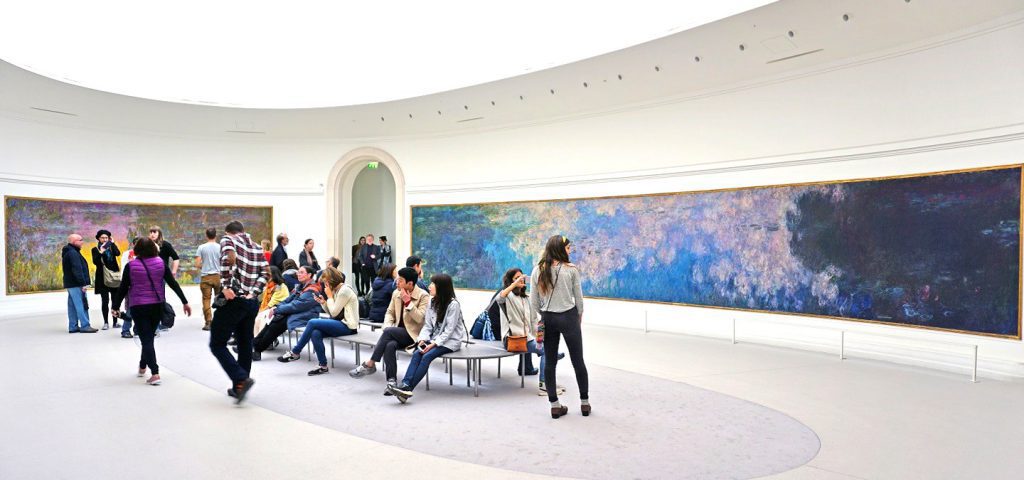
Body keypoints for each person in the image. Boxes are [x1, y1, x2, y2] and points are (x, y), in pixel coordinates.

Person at [112, 238, 192, 386]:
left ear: (137, 249)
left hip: (139, 306)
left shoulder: (131, 266)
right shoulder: (160, 263)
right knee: (148, 337)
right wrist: (184, 301)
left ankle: (155, 373)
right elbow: (172, 283)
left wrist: (115, 306)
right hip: (157, 305)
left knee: (146, 339)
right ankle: (143, 365)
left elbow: (123, 288)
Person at [530, 235, 590, 418]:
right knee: (577, 361)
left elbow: (534, 301)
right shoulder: (571, 270)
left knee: (550, 362)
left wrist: (539, 319)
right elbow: (578, 298)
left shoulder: (537, 270)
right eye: (568, 247)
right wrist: (579, 316)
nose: (570, 250)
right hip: (569, 317)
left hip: (548, 318)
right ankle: (585, 403)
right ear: (560, 249)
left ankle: (555, 405)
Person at [209, 220, 268, 404]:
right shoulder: (257, 247)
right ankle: (239, 388)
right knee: (244, 344)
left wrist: (226, 286)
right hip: (250, 302)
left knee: (217, 343)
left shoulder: (228, 239)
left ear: (229, 232)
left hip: (234, 300)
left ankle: (241, 379)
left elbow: (230, 258)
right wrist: (254, 292)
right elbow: (266, 273)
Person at [388, 274, 467, 403]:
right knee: (417, 353)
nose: (429, 286)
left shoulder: (454, 305)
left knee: (427, 356)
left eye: (432, 284)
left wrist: (434, 344)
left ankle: (407, 389)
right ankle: (405, 385)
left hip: (450, 341)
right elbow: (428, 325)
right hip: (435, 338)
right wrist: (422, 339)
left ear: (441, 287)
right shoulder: (432, 301)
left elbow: (449, 331)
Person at [349, 267, 429, 392]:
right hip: (395, 333)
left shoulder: (423, 296)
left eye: (400, 280)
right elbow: (390, 313)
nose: (397, 282)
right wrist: (387, 326)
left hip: (414, 335)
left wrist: (408, 302)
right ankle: (391, 382)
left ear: (410, 283)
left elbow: (419, 319)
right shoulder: (396, 293)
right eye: (397, 279)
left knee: (389, 334)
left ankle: (371, 363)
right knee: (390, 345)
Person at [277, 267, 358, 375]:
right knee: (315, 333)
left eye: (326, 282)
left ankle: (295, 352)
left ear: (331, 280)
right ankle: (323, 366)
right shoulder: (337, 290)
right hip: (340, 322)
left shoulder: (344, 291)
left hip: (349, 326)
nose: (325, 285)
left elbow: (334, 313)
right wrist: (323, 302)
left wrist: (329, 296)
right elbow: (332, 312)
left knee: (312, 322)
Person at [498, 268, 565, 396]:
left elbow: (534, 322)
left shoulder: (526, 299)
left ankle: (549, 380)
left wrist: (542, 338)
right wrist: (513, 285)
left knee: (548, 346)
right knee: (547, 352)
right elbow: (500, 298)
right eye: (517, 278)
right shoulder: (508, 297)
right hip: (513, 339)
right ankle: (545, 385)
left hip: (527, 338)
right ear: (511, 281)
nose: (521, 279)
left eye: (522, 277)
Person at [251, 266, 322, 358]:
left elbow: (297, 305)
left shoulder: (312, 290)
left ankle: (257, 350)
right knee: (272, 322)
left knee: (275, 325)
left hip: (306, 315)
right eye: (298, 272)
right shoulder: (300, 287)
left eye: (301, 272)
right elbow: (287, 300)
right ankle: (254, 347)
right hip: (295, 313)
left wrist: (277, 309)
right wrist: (276, 307)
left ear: (309, 275)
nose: (298, 274)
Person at [62, 234, 97, 333]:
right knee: (81, 304)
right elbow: (77, 269)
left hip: (71, 284)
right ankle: (85, 325)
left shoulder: (69, 252)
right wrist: (83, 284)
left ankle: (73, 326)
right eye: (80, 240)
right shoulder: (73, 253)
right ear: (74, 242)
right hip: (76, 284)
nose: (82, 242)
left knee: (72, 305)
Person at [91, 229, 122, 330]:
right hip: (102, 278)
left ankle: (115, 322)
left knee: (115, 300)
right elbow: (96, 262)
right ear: (98, 238)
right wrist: (101, 252)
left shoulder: (111, 247)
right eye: (102, 238)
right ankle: (105, 322)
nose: (104, 239)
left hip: (114, 277)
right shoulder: (95, 249)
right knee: (105, 301)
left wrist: (112, 244)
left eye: (106, 238)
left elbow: (118, 253)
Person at [195, 227, 223, 331]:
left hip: (205, 277)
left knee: (206, 299)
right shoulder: (220, 247)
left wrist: (205, 266)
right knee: (220, 299)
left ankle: (208, 322)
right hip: (218, 276)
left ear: (206, 236)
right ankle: (220, 321)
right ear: (216, 236)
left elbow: (197, 264)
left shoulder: (201, 247)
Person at [255, 266, 290, 337]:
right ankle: (255, 339)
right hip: (271, 308)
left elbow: (272, 303)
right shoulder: (269, 286)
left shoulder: (280, 286)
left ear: (273, 275)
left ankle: (261, 339)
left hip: (278, 309)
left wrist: (260, 311)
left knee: (261, 316)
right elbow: (260, 298)